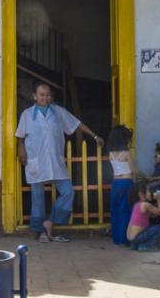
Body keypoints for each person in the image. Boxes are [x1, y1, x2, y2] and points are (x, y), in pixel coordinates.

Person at [16, 82, 104, 242]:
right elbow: (20, 136)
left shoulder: (58, 112)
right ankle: (39, 231)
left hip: (55, 161)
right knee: (37, 197)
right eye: (42, 94)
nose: (45, 97)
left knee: (68, 191)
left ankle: (49, 222)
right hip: (36, 160)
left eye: (48, 94)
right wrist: (21, 151)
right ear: (35, 96)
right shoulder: (27, 115)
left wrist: (94, 136)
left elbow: (76, 124)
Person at [106, 124, 136, 245]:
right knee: (125, 211)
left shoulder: (111, 154)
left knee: (115, 211)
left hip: (115, 184)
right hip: (126, 183)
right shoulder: (126, 153)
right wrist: (144, 175)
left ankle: (117, 239)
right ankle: (125, 239)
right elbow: (133, 170)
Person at [127, 178, 160, 251]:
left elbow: (154, 215)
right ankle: (147, 246)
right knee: (159, 228)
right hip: (137, 237)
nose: (151, 192)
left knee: (150, 226)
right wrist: (159, 199)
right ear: (141, 194)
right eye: (148, 190)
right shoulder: (145, 205)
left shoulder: (137, 205)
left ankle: (135, 245)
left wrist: (157, 204)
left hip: (130, 238)